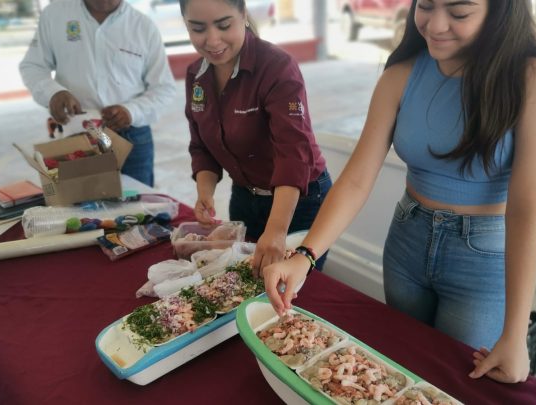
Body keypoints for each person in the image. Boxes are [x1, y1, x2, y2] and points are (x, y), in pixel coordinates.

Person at [263, 0, 536, 384]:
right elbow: (358, 177)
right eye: (425, 6)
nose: (436, 25)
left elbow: (525, 209)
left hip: (482, 256)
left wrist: (515, 334)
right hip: (408, 239)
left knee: (457, 379)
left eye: (459, 13)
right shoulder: (402, 73)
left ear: (499, 11)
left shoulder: (534, 77)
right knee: (402, 370)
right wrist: (306, 254)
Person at [180, 0, 331, 273]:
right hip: (245, 197)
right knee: (244, 281)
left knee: (290, 292)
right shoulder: (196, 74)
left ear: (244, 16)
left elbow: (293, 153)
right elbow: (201, 145)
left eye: (224, 25)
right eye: (198, 28)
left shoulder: (276, 66)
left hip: (298, 201)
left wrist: (276, 230)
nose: (212, 40)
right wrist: (205, 192)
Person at [19, 0, 179, 187]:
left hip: (130, 136)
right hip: (76, 136)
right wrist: (53, 93)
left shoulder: (143, 26)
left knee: (138, 207)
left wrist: (131, 111)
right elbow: (32, 66)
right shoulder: (55, 15)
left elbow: (164, 88)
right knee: (77, 209)